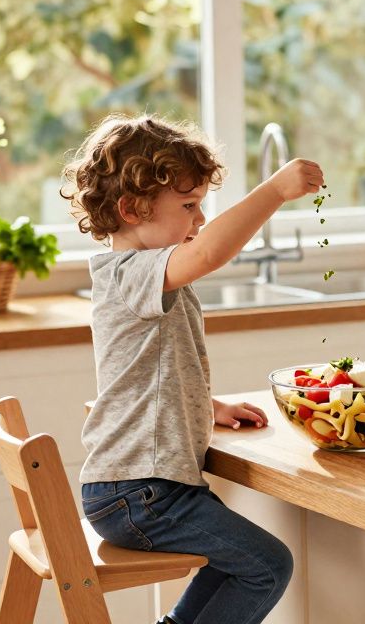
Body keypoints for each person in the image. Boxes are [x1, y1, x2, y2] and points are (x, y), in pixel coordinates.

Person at [61, 115, 324, 623]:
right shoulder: (128, 274)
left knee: (239, 564)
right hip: (140, 493)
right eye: (189, 205)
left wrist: (208, 405)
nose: (200, 219)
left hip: (139, 488)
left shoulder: (150, 280)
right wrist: (273, 191)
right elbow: (207, 252)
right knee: (267, 566)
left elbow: (147, 376)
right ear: (132, 209)